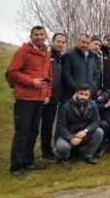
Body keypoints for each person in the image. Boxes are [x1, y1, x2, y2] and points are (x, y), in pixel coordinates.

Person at [6, 26, 52, 177]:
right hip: (25, 98)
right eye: (36, 34)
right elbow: (12, 73)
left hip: (39, 99)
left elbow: (48, 77)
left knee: (33, 131)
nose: (39, 37)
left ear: (45, 36)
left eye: (41, 34)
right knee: (22, 131)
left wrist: (46, 93)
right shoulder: (24, 51)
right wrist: (32, 82)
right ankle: (16, 166)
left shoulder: (45, 53)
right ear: (31, 36)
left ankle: (28, 161)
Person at [54, 83, 104, 165]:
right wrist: (71, 138)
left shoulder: (93, 104)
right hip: (68, 134)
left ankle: (88, 155)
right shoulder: (65, 106)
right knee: (62, 147)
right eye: (81, 94)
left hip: (83, 134)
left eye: (86, 94)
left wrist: (85, 131)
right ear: (76, 93)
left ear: (89, 95)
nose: (83, 97)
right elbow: (61, 127)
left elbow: (96, 121)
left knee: (99, 132)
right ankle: (65, 157)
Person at [41, 33, 66, 163]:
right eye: (58, 41)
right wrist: (45, 93)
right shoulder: (47, 56)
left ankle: (47, 151)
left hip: (56, 97)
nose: (60, 44)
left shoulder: (60, 58)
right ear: (52, 41)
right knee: (39, 127)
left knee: (48, 125)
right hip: (44, 97)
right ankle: (43, 152)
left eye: (63, 42)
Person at [61, 34, 98, 101]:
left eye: (87, 43)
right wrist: (75, 88)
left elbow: (95, 73)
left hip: (88, 95)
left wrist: (94, 86)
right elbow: (66, 74)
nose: (85, 45)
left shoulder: (91, 57)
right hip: (72, 96)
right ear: (77, 41)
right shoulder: (69, 55)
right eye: (83, 42)